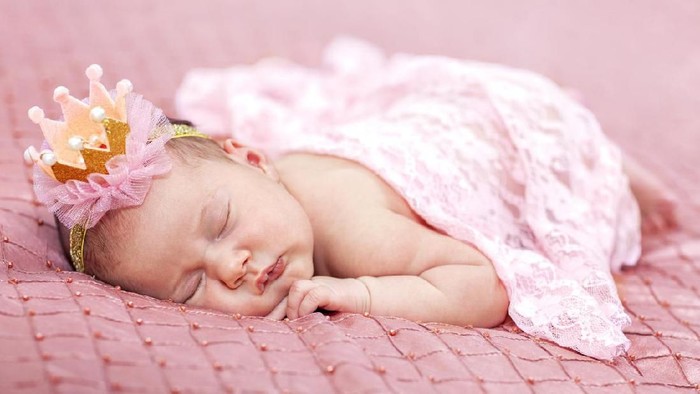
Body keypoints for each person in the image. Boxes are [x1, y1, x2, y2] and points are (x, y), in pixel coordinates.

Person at [26, 38, 676, 361]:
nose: (234, 267)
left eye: (220, 224)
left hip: (501, 131)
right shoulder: (269, 193)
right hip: (425, 120)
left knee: (580, 163)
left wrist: (365, 293)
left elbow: (483, 283)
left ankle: (603, 152)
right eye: (194, 286)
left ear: (254, 157)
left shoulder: (360, 232)